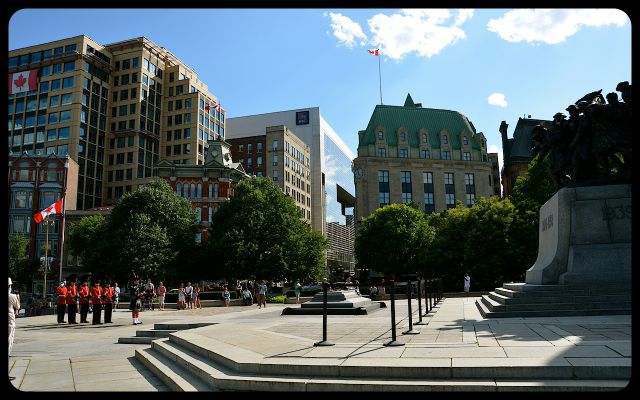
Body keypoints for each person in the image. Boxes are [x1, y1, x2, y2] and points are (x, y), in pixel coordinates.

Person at [9, 277, 20, 381]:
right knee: (9, 341)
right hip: (9, 321)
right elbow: (17, 307)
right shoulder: (12, 296)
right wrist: (18, 297)